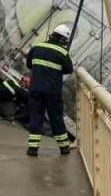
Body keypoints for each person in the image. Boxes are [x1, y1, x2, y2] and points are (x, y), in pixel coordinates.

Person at [26, 23, 75, 156]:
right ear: (63, 39)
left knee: (36, 117)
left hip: (35, 88)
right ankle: (64, 147)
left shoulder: (37, 47)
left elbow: (29, 64)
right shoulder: (63, 52)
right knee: (56, 118)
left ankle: (33, 148)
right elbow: (69, 69)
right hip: (52, 91)